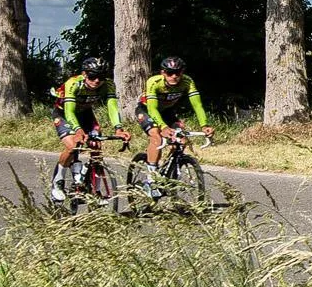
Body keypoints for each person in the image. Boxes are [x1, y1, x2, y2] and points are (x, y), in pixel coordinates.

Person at [50, 57, 131, 202]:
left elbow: (112, 107)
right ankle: (58, 182)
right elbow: (69, 111)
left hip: (85, 114)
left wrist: (118, 128)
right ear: (84, 74)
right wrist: (77, 130)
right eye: (93, 76)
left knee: (96, 148)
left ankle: (95, 191)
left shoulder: (108, 85)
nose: (97, 81)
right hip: (64, 114)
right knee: (73, 146)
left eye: (101, 77)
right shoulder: (73, 83)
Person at [134, 55, 214, 194]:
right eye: (170, 73)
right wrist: (163, 127)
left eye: (178, 73)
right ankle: (151, 179)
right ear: (163, 72)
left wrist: (204, 125)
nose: (174, 76)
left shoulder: (187, 81)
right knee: (156, 137)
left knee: (181, 140)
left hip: (167, 112)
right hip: (147, 110)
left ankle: (167, 169)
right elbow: (152, 109)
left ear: (182, 72)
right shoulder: (154, 82)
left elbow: (197, 105)